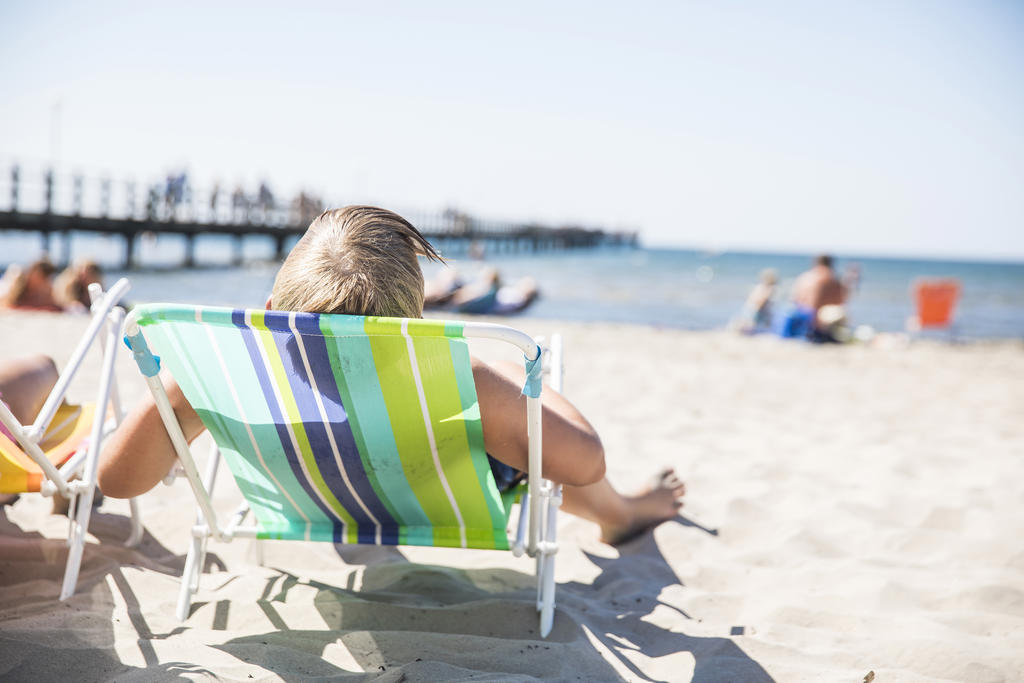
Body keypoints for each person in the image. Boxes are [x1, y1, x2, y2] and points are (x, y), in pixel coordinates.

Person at [99, 206, 685, 545]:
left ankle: (625, 512)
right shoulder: (467, 383)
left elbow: (117, 482)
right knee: (522, 434)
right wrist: (522, 380)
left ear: (276, 298)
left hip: (310, 504)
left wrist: (178, 394)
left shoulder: (220, 372)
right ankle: (622, 515)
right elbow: (586, 462)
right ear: (416, 310)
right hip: (431, 506)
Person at [784, 254, 850, 343]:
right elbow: (841, 301)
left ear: (815, 262)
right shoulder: (832, 278)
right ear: (831, 263)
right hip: (819, 315)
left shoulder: (806, 276)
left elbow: (795, 299)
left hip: (805, 313)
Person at [731, 268, 777, 334]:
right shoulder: (769, 289)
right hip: (755, 311)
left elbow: (751, 300)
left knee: (747, 322)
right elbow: (760, 303)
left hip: (749, 309)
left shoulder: (759, 287)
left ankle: (742, 327)